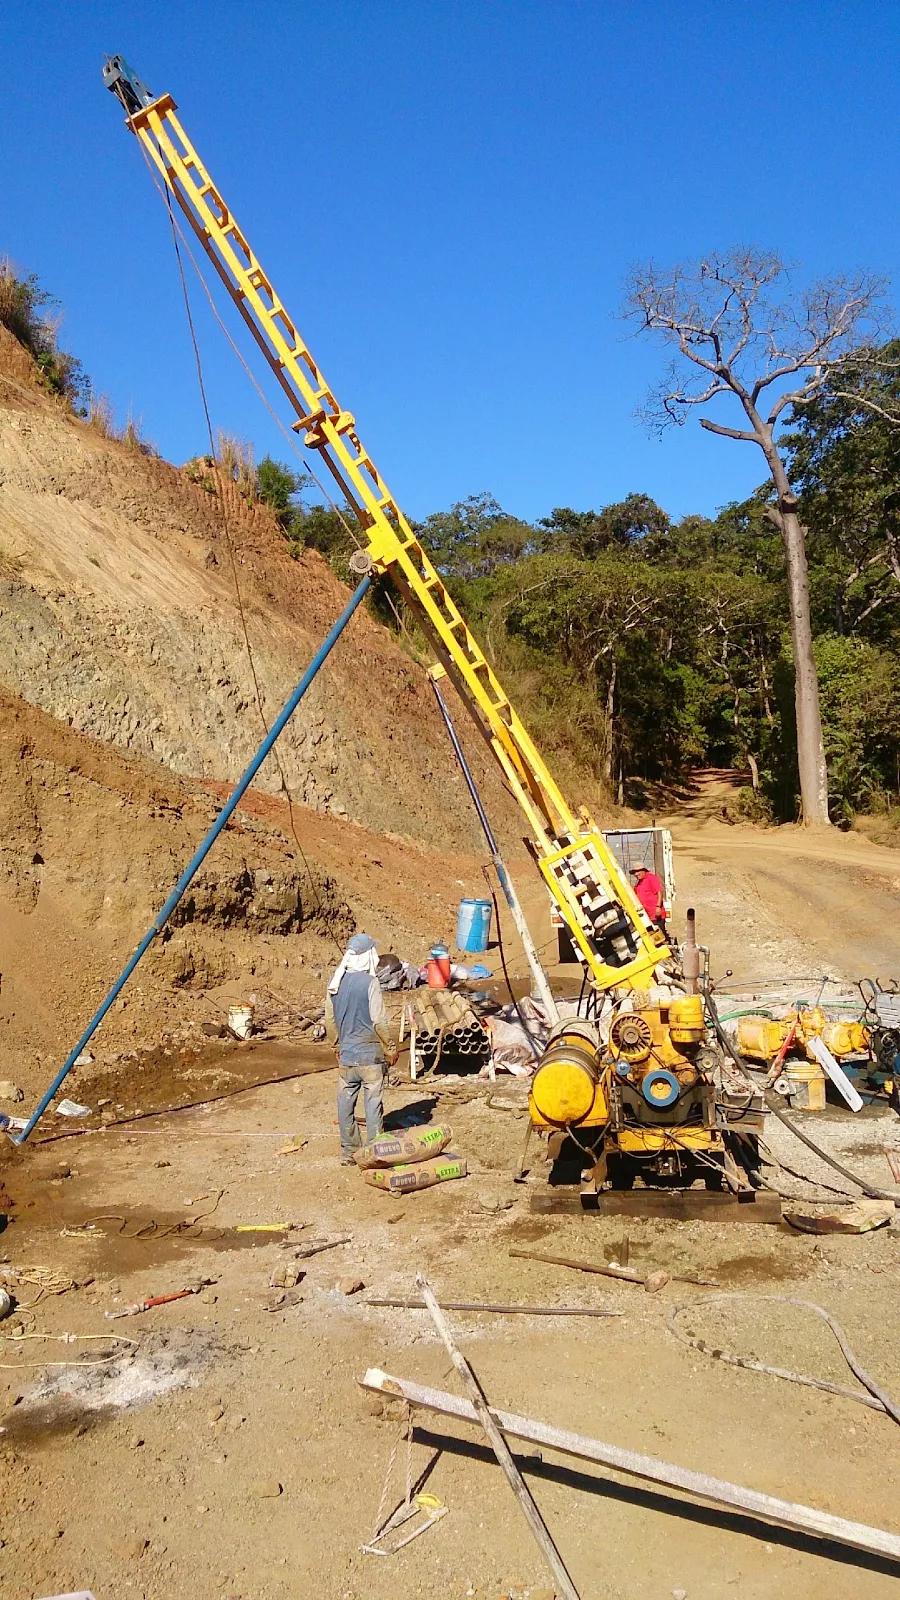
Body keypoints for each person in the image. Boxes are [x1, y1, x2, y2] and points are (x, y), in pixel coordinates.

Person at [325, 932, 397, 1165]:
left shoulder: (335, 982)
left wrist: (335, 1045)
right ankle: (375, 1152)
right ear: (368, 956)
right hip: (370, 1057)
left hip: (347, 1056)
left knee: (345, 1103)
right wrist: (390, 1048)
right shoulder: (370, 982)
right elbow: (378, 1021)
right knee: (373, 1102)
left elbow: (330, 1021)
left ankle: (349, 1152)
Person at [629, 864, 666, 930]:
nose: (636, 874)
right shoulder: (638, 883)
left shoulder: (651, 878)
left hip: (655, 915)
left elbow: (659, 892)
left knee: (660, 933)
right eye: (634, 872)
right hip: (646, 916)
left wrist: (658, 907)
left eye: (638, 871)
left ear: (643, 870)